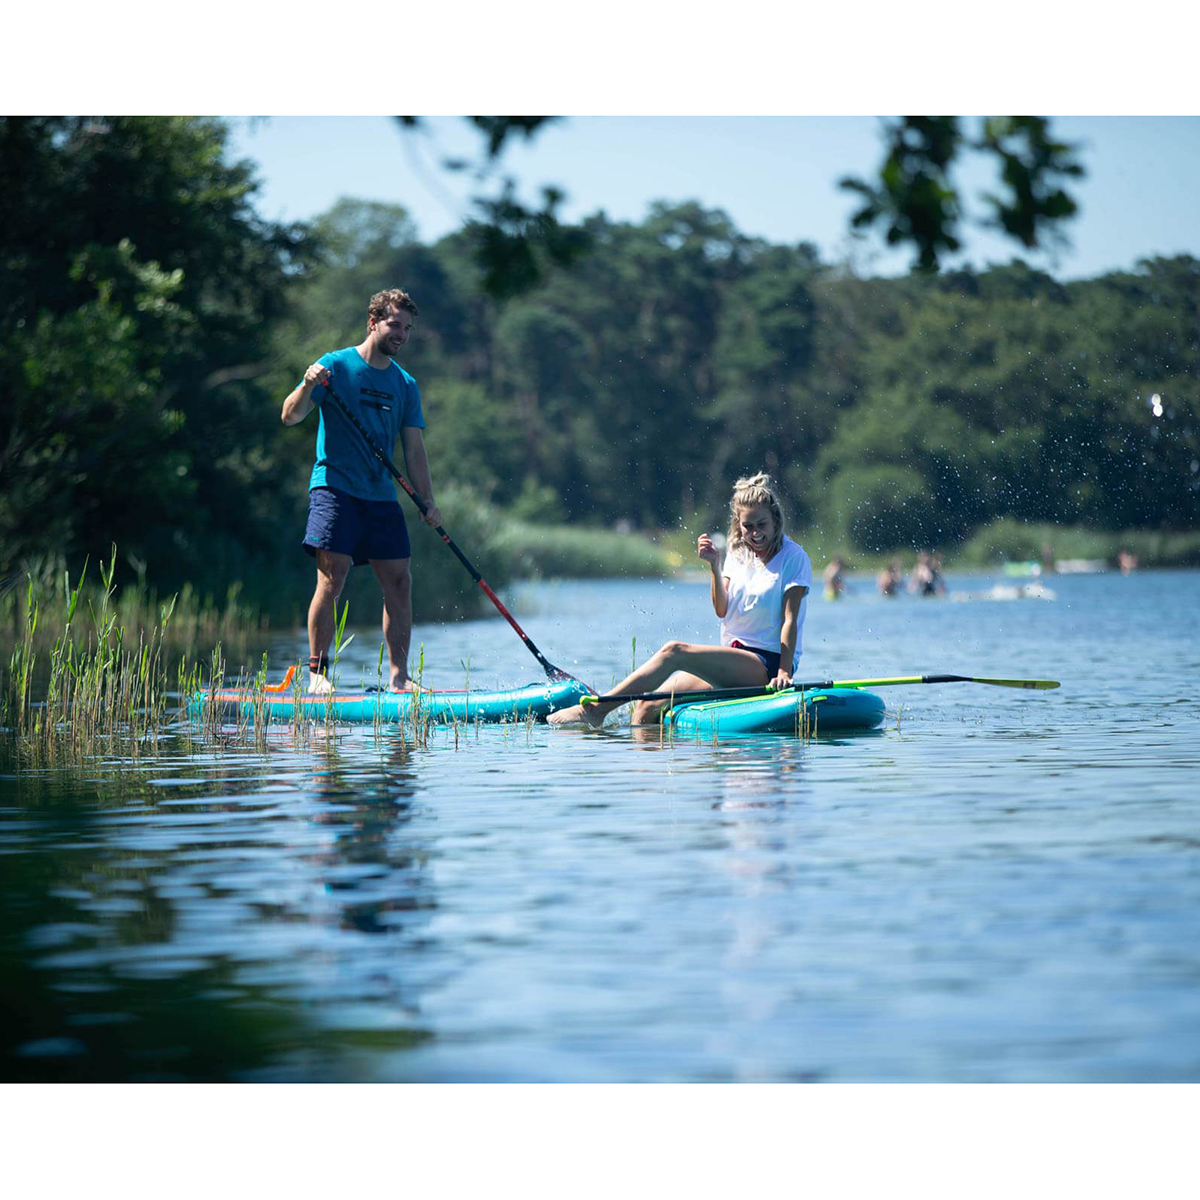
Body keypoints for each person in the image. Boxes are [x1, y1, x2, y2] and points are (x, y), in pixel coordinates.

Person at [549, 473, 811, 726]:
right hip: (732, 656)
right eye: (748, 526)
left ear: (775, 520)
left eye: (761, 525)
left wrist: (784, 673)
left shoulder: (793, 558)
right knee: (646, 706)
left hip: (768, 663)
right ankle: (640, 766)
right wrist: (714, 566)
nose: (755, 534)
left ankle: (596, 710)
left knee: (674, 651)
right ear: (738, 525)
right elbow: (722, 610)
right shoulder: (737, 552)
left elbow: (790, 621)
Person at [281, 288, 442, 694]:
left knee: (400, 583)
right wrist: (306, 384)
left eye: (407, 328)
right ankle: (317, 674)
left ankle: (399, 678)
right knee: (332, 579)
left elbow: (415, 449)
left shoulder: (405, 385)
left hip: (380, 496)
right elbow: (289, 416)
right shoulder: (334, 366)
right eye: (394, 324)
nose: (401, 334)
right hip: (335, 489)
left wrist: (427, 500)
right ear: (373, 322)